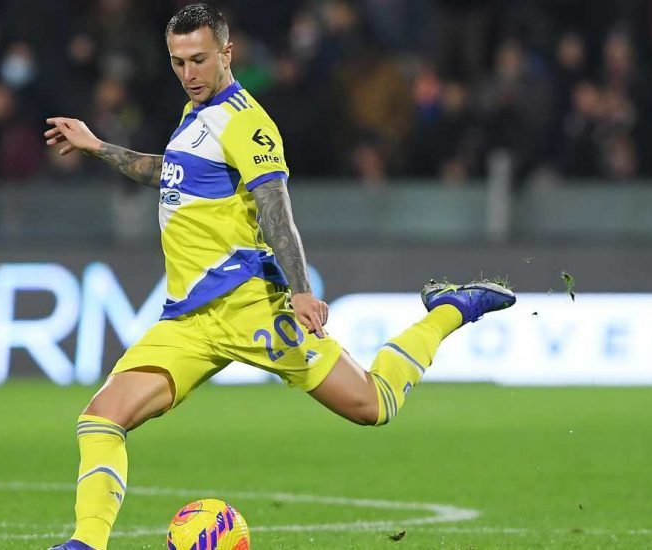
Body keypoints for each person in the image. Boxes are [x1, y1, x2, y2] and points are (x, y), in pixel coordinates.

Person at [44, 5, 515, 549]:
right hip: (189, 320)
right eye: (178, 63)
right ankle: (86, 544)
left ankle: (452, 310)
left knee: (375, 405)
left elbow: (275, 207)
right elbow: (168, 171)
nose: (189, 73)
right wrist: (98, 147)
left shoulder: (246, 122)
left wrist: (300, 290)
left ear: (227, 53)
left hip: (253, 307)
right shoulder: (195, 114)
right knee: (100, 419)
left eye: (199, 60)